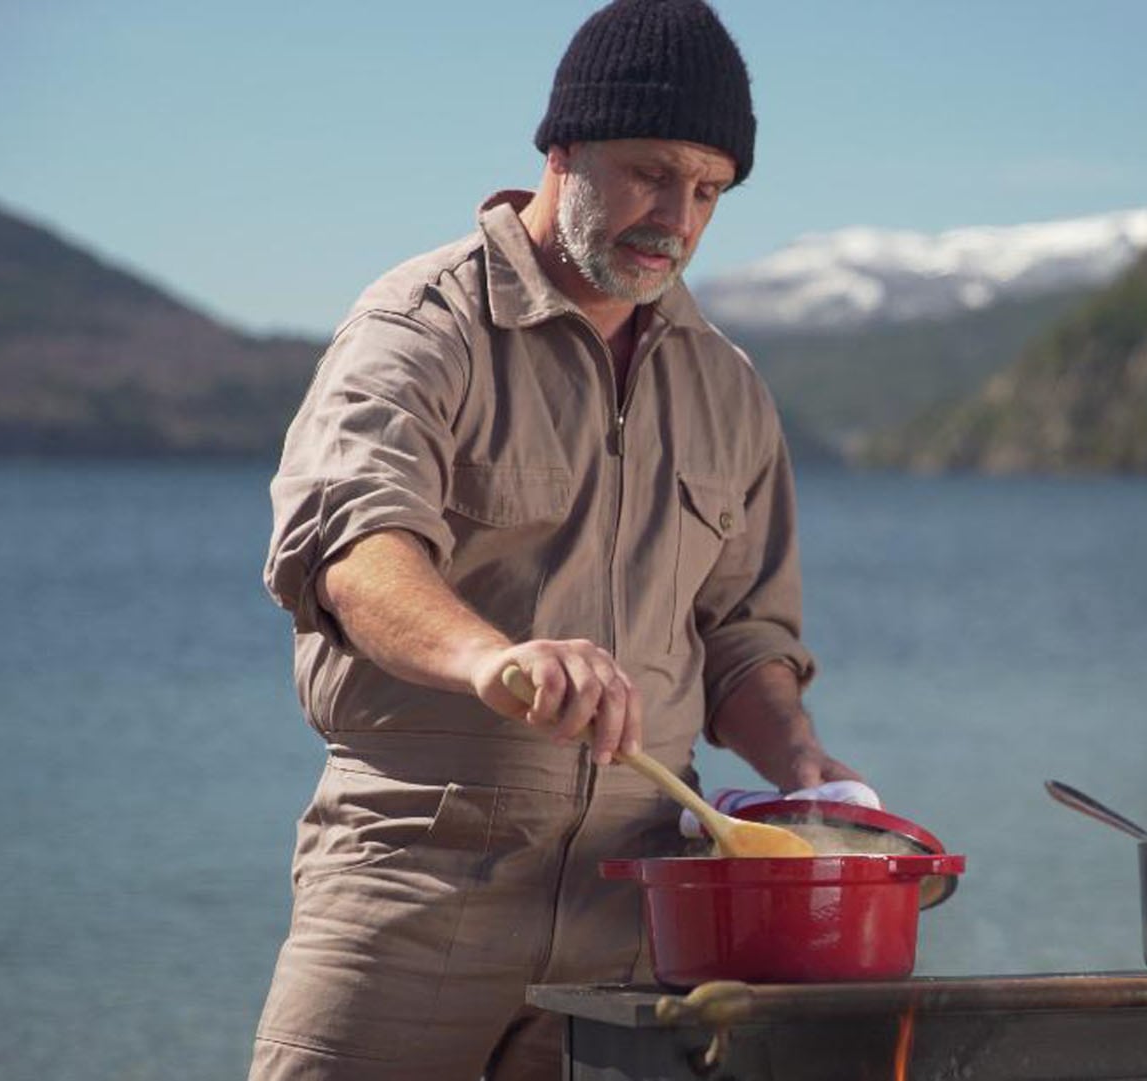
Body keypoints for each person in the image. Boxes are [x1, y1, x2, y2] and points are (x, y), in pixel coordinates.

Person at [250, 2, 860, 1076]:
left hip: (641, 914)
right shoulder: (420, 324)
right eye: (650, 172)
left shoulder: (728, 386)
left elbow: (743, 638)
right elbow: (355, 551)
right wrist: (494, 658)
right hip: (413, 874)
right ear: (563, 149)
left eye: (709, 191)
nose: (676, 216)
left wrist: (796, 755)